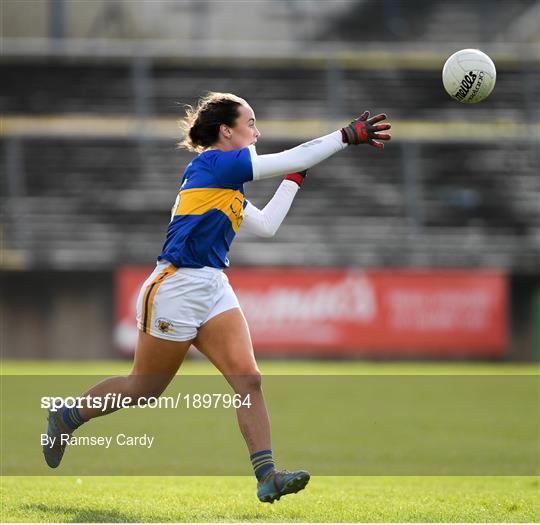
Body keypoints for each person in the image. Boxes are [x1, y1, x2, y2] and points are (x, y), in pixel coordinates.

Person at [43, 92, 391, 503]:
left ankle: (267, 476)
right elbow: (293, 156)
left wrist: (294, 180)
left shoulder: (227, 180)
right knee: (143, 389)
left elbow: (266, 226)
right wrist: (345, 136)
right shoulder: (214, 163)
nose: (257, 132)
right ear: (226, 131)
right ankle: (65, 416)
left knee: (250, 380)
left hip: (211, 287)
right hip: (175, 288)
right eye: (251, 124)